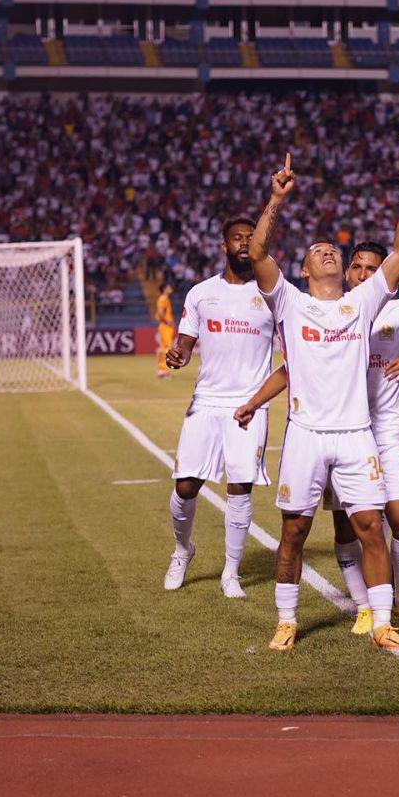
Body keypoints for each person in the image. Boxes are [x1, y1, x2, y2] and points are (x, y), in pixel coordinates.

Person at [244, 151, 399, 653]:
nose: (327, 252)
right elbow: (258, 252)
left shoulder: (359, 303)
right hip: (304, 436)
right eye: (317, 250)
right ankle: (286, 619)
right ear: (300, 270)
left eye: (333, 250)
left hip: (354, 435)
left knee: (371, 528)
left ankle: (383, 623)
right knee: (294, 532)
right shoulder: (289, 301)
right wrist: (276, 200)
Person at [160, 218, 272, 598]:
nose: (244, 244)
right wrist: (178, 355)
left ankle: (231, 572)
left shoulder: (272, 292)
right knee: (186, 486)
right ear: (224, 247)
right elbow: (186, 344)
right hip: (206, 401)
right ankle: (182, 550)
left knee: (240, 488)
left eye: (250, 238)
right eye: (237, 239)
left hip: (249, 404)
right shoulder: (201, 293)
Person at [155, 281, 176, 379]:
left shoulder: (163, 298)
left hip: (163, 326)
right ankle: (163, 371)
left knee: (163, 348)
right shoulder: (163, 299)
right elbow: (160, 313)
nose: (170, 288)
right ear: (164, 289)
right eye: (168, 287)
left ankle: (161, 370)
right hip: (166, 327)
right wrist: (168, 322)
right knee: (168, 348)